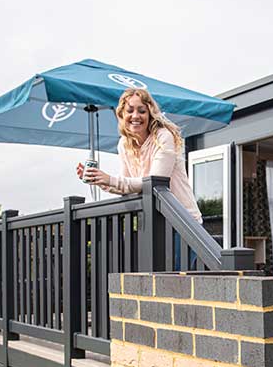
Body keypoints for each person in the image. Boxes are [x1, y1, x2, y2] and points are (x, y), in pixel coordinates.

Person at [78, 88, 202, 268]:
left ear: (150, 113)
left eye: (142, 111)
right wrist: (99, 180)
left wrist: (110, 179)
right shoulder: (124, 144)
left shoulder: (163, 137)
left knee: (178, 286)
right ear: (121, 114)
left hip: (181, 222)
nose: (135, 115)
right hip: (154, 224)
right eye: (130, 110)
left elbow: (155, 182)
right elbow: (126, 186)